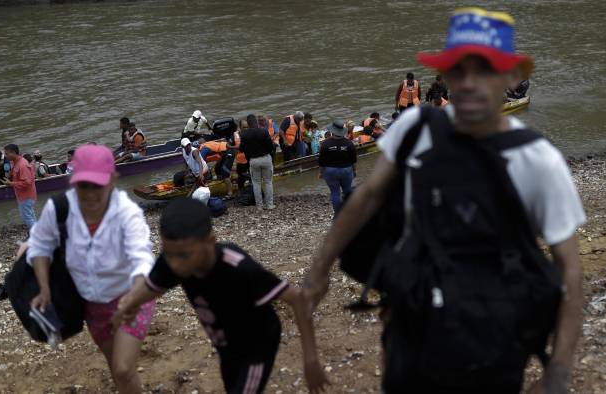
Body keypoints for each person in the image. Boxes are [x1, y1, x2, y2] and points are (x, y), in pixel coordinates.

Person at [304, 7, 584, 394]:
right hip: (413, 323)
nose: (470, 83)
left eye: (484, 70)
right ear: (446, 76)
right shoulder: (414, 129)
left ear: (511, 76)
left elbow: (569, 268)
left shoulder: (537, 160)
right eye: (459, 70)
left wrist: (559, 371)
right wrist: (318, 270)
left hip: (495, 336)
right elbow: (367, 197)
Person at [111, 198, 328, 394]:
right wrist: (128, 304)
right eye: (169, 255)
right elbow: (154, 286)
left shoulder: (239, 268)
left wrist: (310, 359)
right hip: (225, 345)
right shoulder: (174, 259)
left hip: (257, 346)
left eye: (184, 256)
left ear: (210, 241)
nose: (175, 265)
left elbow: (298, 299)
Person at [28, 144, 155, 393]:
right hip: (91, 304)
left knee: (122, 368)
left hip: (131, 298)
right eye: (84, 185)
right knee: (115, 368)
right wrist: (44, 288)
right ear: (73, 182)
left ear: (112, 179)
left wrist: (133, 299)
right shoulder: (59, 209)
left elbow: (142, 258)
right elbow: (40, 246)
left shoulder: (127, 213)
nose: (91, 194)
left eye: (98, 185)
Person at [318, 121, 357, 217]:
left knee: (335, 192)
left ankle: (338, 214)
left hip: (330, 171)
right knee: (348, 191)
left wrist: (321, 173)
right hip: (346, 170)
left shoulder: (325, 144)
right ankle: (349, 212)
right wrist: (354, 171)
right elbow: (354, 160)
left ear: (332, 131)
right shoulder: (349, 143)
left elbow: (322, 161)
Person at [239, 114, 275, 211]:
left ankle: (259, 206)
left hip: (253, 160)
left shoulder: (244, 134)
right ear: (256, 122)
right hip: (265, 158)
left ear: (248, 123)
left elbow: (241, 149)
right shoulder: (263, 131)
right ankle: (270, 205)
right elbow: (271, 147)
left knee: (256, 183)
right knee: (268, 182)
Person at [1, 144, 38, 229]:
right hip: (24, 195)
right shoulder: (17, 162)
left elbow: (27, 182)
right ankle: (36, 234)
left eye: (6, 154)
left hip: (26, 196)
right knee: (30, 215)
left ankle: (36, 237)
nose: (5, 156)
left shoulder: (22, 165)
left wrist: (11, 184)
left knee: (27, 218)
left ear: (13, 152)